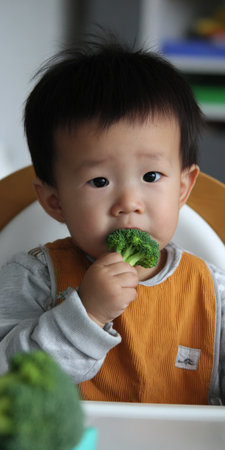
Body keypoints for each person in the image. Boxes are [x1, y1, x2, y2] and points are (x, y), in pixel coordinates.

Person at [0, 36, 225, 405]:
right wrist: (86, 315)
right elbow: (9, 384)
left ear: (184, 188)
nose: (129, 203)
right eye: (99, 181)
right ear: (55, 201)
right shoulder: (33, 279)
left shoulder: (214, 293)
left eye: (151, 176)